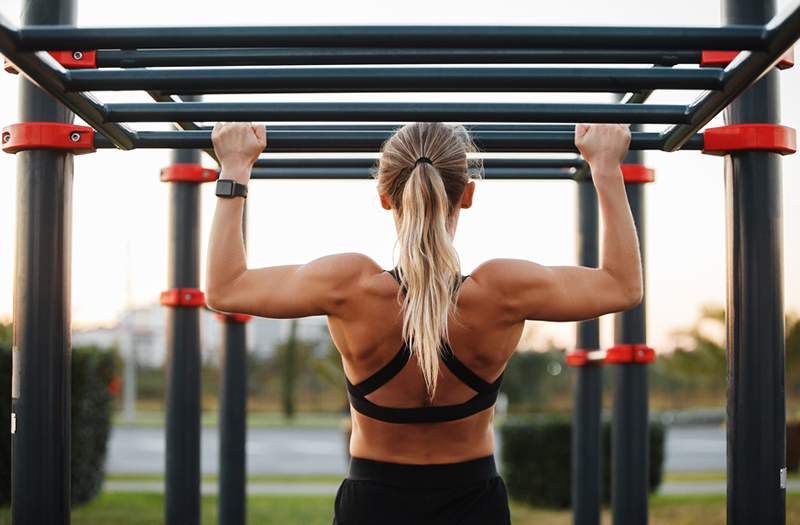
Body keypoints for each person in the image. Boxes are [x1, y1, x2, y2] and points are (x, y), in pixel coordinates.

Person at [206, 121, 641, 524]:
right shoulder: (502, 291)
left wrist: (236, 169)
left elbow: (225, 289)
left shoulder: (349, 286)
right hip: (475, 506)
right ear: (466, 194)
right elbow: (622, 286)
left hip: (372, 505)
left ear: (384, 197)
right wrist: (605, 167)